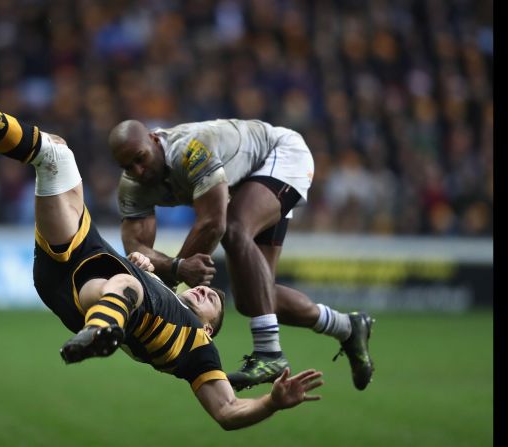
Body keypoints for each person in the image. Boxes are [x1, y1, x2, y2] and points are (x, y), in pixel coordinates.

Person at [0, 40, 325, 430]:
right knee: (55, 156)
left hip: (96, 298)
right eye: (210, 292)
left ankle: (102, 329)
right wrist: (155, 265)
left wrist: (271, 402)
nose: (208, 292)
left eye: (213, 306)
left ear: (207, 329)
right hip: (79, 258)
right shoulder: (157, 282)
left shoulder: (198, 348)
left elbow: (227, 412)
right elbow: (140, 252)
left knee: (128, 285)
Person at [109, 117, 375, 391]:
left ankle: (269, 353)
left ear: (153, 139)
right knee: (254, 300)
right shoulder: (132, 184)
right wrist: (176, 269)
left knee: (235, 228)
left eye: (140, 159)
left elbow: (214, 223)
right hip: (243, 183)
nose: (138, 171)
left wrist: (172, 281)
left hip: (278, 154)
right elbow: (136, 248)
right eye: (128, 166)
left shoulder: (191, 149)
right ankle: (347, 326)